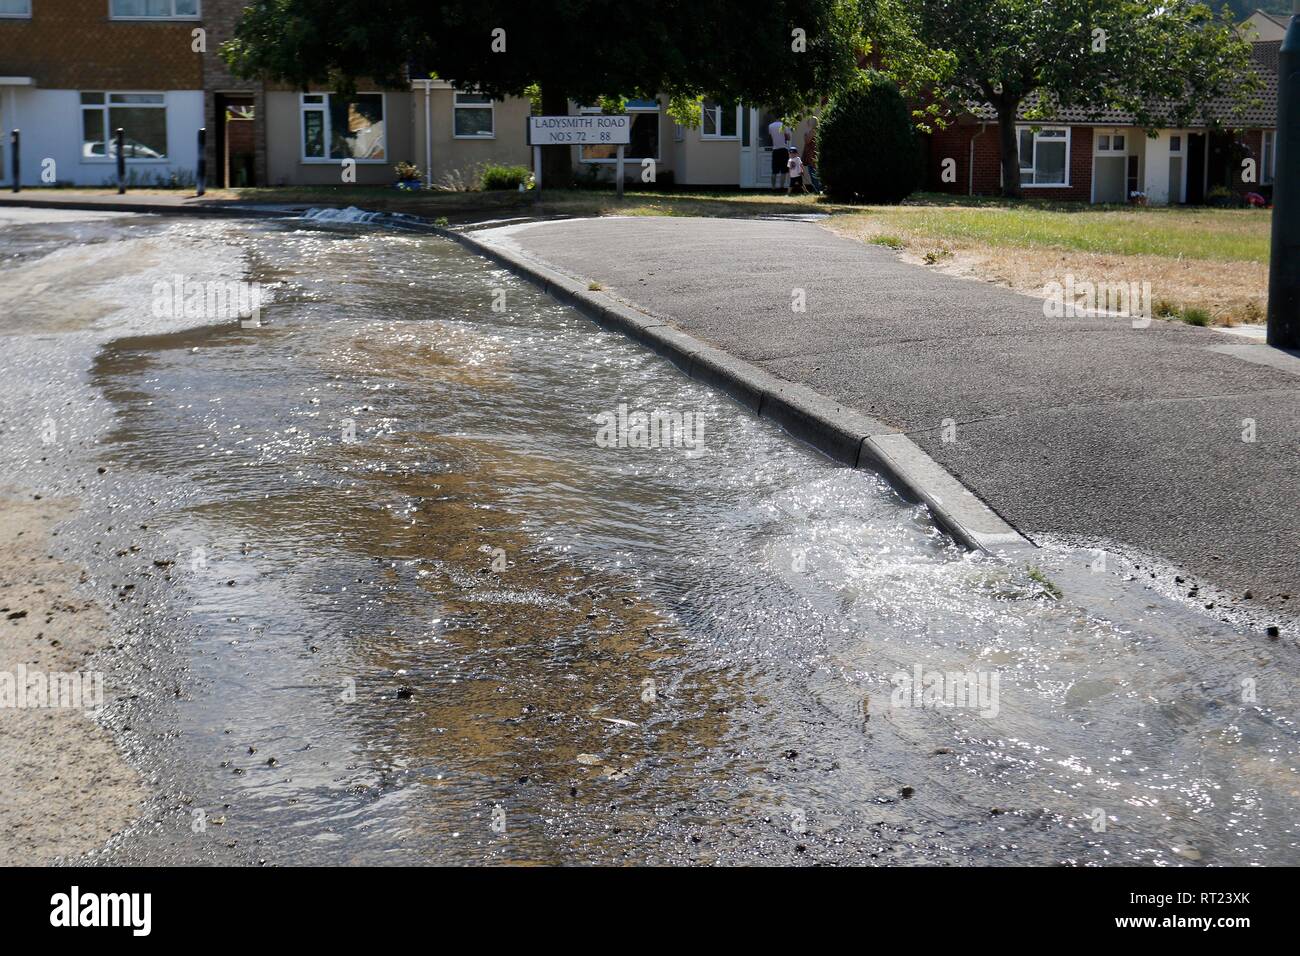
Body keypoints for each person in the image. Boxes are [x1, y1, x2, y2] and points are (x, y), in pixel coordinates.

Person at [768, 117, 789, 190]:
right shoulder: (784, 125)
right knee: (783, 170)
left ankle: (773, 188)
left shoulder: (770, 126)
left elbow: (771, 137)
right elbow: (788, 137)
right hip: (783, 149)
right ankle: (781, 187)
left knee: (774, 170)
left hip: (775, 150)